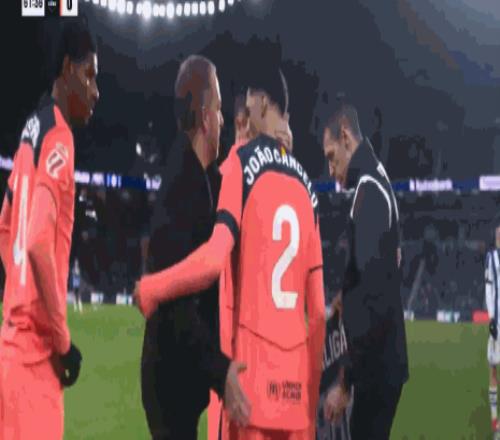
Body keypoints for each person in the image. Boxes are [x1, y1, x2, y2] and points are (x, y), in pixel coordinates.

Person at [135, 67, 326, 439]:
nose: (239, 119)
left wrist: (152, 288)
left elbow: (213, 258)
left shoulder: (239, 166)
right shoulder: (308, 188)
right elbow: (317, 312)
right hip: (295, 398)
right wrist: (311, 403)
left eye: (246, 108)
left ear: (261, 103)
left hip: (248, 387)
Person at [139, 54, 249, 440]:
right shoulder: (182, 186)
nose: (222, 120)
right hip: (169, 386)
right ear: (204, 118)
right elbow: (177, 308)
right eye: (218, 109)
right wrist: (221, 371)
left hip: (180, 381)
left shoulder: (197, 176)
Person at [0, 18, 99, 440]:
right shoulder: (58, 136)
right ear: (67, 69)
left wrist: (20, 291)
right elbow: (39, 241)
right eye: (89, 75)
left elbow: (5, 226)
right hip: (36, 363)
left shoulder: (32, 130)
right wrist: (62, 341)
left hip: (9, 354)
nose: (96, 91)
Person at [322, 104, 409, 440]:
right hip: (382, 361)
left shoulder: (369, 190)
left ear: (346, 137)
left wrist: (344, 382)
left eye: (332, 157)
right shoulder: (376, 179)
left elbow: (372, 295)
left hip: (376, 365)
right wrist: (345, 295)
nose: (331, 170)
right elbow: (378, 269)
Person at [485, 220, 500, 435]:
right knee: (493, 369)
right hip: (498, 322)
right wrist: (491, 319)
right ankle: (495, 421)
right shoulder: (491, 257)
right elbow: (488, 288)